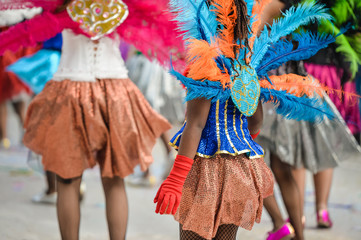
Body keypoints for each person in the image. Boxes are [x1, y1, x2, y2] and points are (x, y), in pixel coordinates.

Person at [154, 0, 338, 239]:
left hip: (204, 170)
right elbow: (255, 122)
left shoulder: (206, 61)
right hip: (239, 169)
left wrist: (176, 180)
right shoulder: (248, 65)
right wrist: (240, 144)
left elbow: (196, 125)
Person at [0, 0, 184, 239]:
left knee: (67, 180)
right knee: (114, 179)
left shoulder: (59, 4)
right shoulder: (124, 4)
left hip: (69, 89)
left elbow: (23, 24)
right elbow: (161, 26)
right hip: (115, 91)